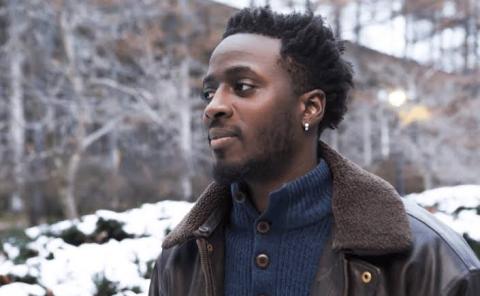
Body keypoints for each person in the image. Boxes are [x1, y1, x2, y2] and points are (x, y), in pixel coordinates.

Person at [149, 6, 480, 296]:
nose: (214, 107)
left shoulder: (428, 260)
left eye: (243, 87)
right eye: (209, 93)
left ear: (310, 108)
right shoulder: (180, 260)